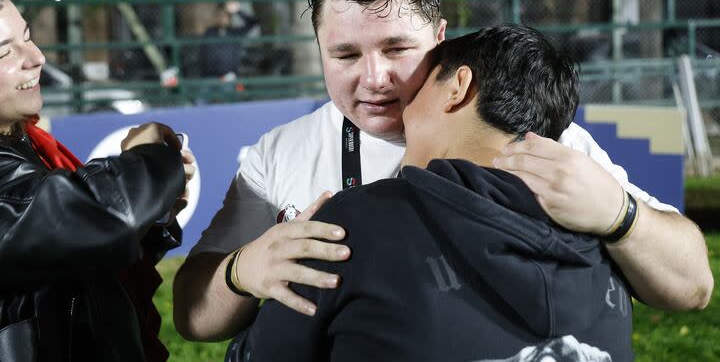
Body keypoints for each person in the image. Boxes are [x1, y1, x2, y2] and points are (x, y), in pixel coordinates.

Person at [173, 0, 712, 342]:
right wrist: (243, 272)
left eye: (396, 48)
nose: (374, 77)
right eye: (345, 55)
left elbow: (693, 286)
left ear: (439, 40)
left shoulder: (542, 138)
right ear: (318, 50)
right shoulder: (282, 152)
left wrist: (621, 216)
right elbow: (192, 316)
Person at [225, 27, 635, 361]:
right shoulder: (608, 232)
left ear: (458, 86)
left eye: (423, 87)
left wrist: (243, 273)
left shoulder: (352, 225)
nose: (402, 110)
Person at [0, 0, 194, 361]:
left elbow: (79, 263)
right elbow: (99, 214)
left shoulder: (17, 141)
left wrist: (155, 218)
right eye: (3, 53)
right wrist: (149, 157)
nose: (36, 57)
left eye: (27, 35)